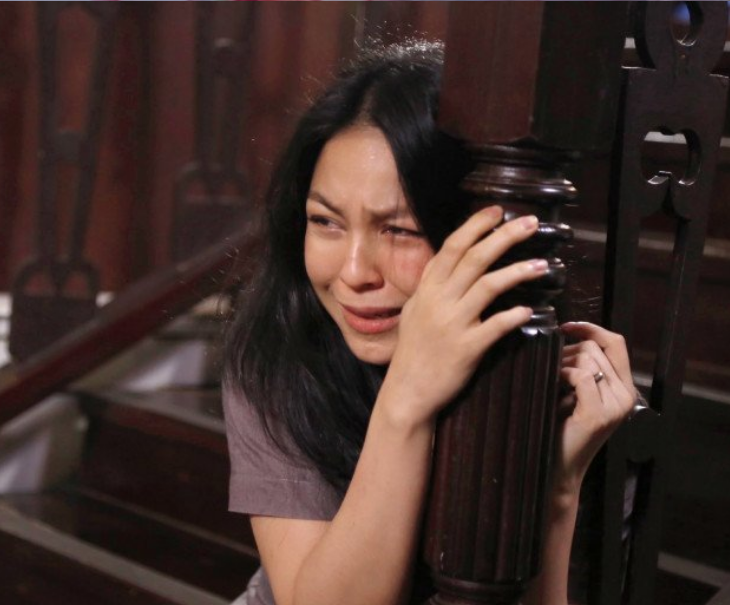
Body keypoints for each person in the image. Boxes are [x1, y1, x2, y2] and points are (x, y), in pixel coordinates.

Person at [223, 40, 636, 605]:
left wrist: (556, 492)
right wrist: (407, 399)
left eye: (400, 230)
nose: (354, 272)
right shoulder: (280, 354)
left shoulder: (582, 394)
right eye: (326, 221)